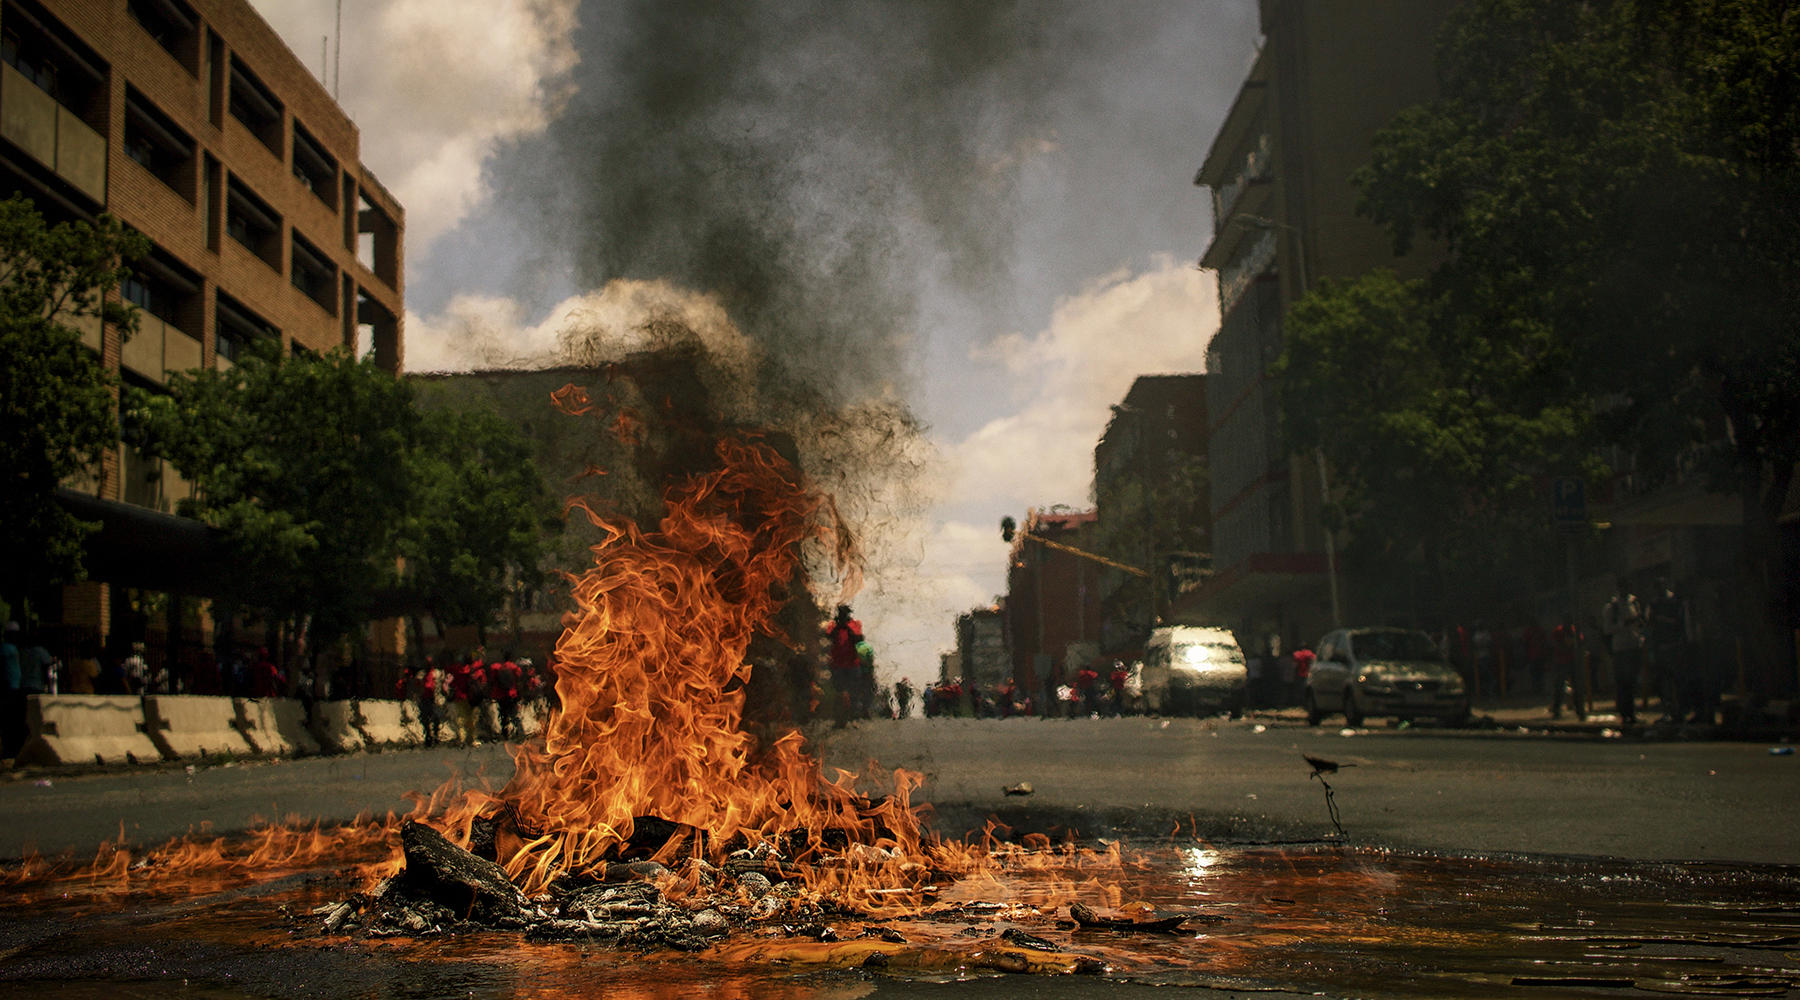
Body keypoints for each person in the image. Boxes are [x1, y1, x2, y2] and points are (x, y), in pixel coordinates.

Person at [1602, 577, 1646, 725]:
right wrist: (1623, 623)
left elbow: (1639, 623)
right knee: (1623, 682)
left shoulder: (1634, 602)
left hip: (1634, 645)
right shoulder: (1612, 607)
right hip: (1621, 648)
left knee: (1633, 682)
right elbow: (1607, 629)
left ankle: (1632, 712)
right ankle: (1625, 714)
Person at [1646, 578, 1689, 723]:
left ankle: (1678, 710)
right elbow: (1650, 622)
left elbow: (1679, 622)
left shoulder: (1674, 601)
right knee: (1664, 680)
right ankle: (1669, 709)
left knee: (1676, 679)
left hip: (1673, 645)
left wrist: (1663, 620)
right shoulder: (1654, 603)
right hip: (1661, 646)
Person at [825, 605, 863, 728]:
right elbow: (828, 636)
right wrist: (837, 626)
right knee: (839, 692)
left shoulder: (854, 624)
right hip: (837, 664)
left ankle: (854, 717)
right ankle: (839, 719)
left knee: (854, 692)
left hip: (852, 663)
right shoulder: (833, 625)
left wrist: (846, 626)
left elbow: (858, 638)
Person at [1548, 617, 1586, 720]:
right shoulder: (1558, 632)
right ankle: (1556, 709)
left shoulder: (1574, 631)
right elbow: (1554, 644)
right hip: (1560, 662)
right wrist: (1564, 647)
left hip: (1572, 661)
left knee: (1577, 686)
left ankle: (1579, 709)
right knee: (1559, 687)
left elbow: (1581, 642)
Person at [1, 622, 23, 758]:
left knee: (14, 720)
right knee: (8, 720)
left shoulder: (14, 648)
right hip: (9, 688)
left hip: (15, 688)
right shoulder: (5, 648)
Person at [491, 651, 524, 741]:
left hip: (500, 695)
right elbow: (518, 678)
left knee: (503, 715)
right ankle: (519, 731)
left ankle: (505, 733)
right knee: (514, 714)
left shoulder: (497, 667)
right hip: (512, 694)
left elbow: (493, 679)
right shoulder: (514, 667)